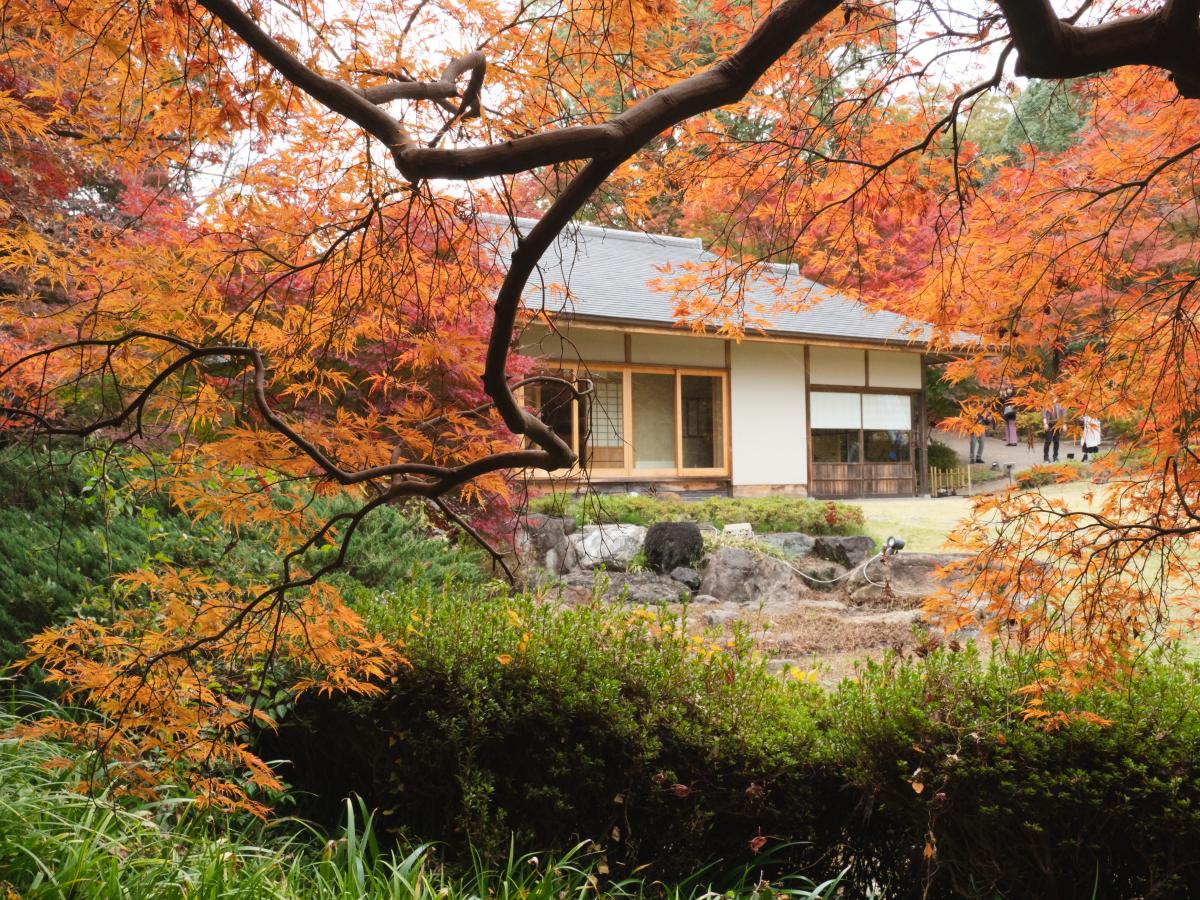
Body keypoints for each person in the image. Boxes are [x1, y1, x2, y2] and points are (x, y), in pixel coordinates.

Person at [1043, 396, 1065, 463]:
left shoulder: (1061, 404)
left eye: (1055, 396)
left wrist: (1064, 424)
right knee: (1048, 441)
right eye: (1052, 396)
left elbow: (1063, 415)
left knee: (1056, 441)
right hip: (1049, 424)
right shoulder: (1046, 404)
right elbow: (1044, 415)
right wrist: (1045, 423)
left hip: (1057, 424)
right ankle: (1046, 458)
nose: (1054, 398)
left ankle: (1055, 457)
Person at [999, 382, 1018, 446]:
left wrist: (1004, 396)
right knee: (1007, 426)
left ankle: (1013, 441)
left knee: (1011, 426)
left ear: (1012, 389)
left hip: (1011, 412)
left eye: (1010, 388)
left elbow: (1009, 401)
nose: (1008, 390)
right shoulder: (1007, 395)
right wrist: (1001, 396)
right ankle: (1009, 441)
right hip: (1006, 412)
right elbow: (1002, 402)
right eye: (1008, 388)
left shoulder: (1013, 395)